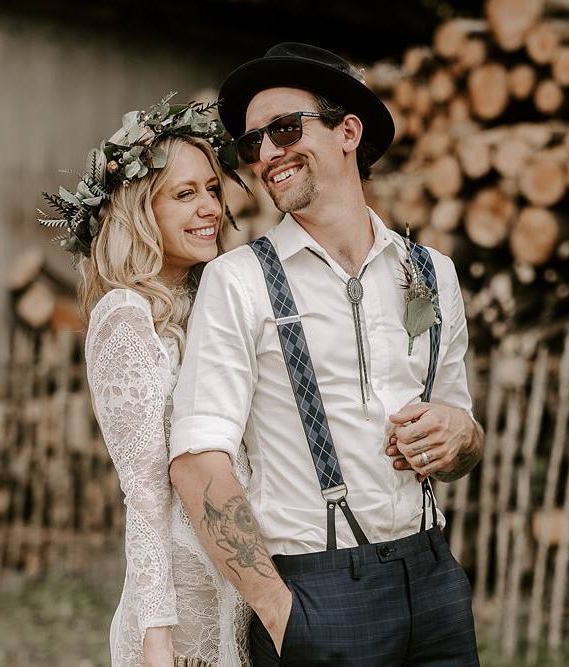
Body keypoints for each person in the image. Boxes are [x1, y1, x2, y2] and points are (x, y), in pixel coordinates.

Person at [169, 43, 485, 666]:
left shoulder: (432, 273)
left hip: (435, 579)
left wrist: (458, 435)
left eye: (285, 129)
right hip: (315, 592)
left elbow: (463, 430)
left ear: (348, 132)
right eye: (252, 142)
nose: (267, 154)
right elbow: (198, 461)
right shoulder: (239, 282)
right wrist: (282, 613)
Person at [39, 93, 252, 667]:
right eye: (185, 194)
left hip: (240, 589)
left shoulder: (210, 301)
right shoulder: (126, 317)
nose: (210, 207)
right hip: (182, 612)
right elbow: (146, 489)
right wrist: (157, 636)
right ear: (141, 211)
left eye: (212, 189)